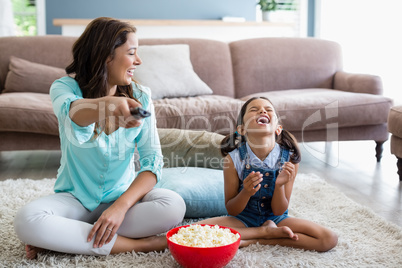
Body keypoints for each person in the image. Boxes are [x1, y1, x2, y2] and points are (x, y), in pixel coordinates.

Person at [13, 17, 186, 259]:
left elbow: (152, 162)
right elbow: (74, 113)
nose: (139, 61)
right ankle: (143, 245)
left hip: (121, 201)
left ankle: (67, 239)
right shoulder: (64, 88)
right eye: (132, 53)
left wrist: (120, 207)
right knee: (27, 221)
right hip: (74, 200)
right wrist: (108, 105)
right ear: (106, 55)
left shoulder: (141, 96)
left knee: (173, 205)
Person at [198, 96, 338, 252]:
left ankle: (257, 239)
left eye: (268, 109)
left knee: (328, 239)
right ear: (242, 130)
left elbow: (279, 210)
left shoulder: (290, 159)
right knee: (196, 230)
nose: (262, 110)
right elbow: (232, 209)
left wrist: (279, 185)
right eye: (254, 109)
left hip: (277, 219)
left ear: (278, 128)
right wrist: (246, 192)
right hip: (243, 219)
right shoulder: (233, 159)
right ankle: (264, 233)